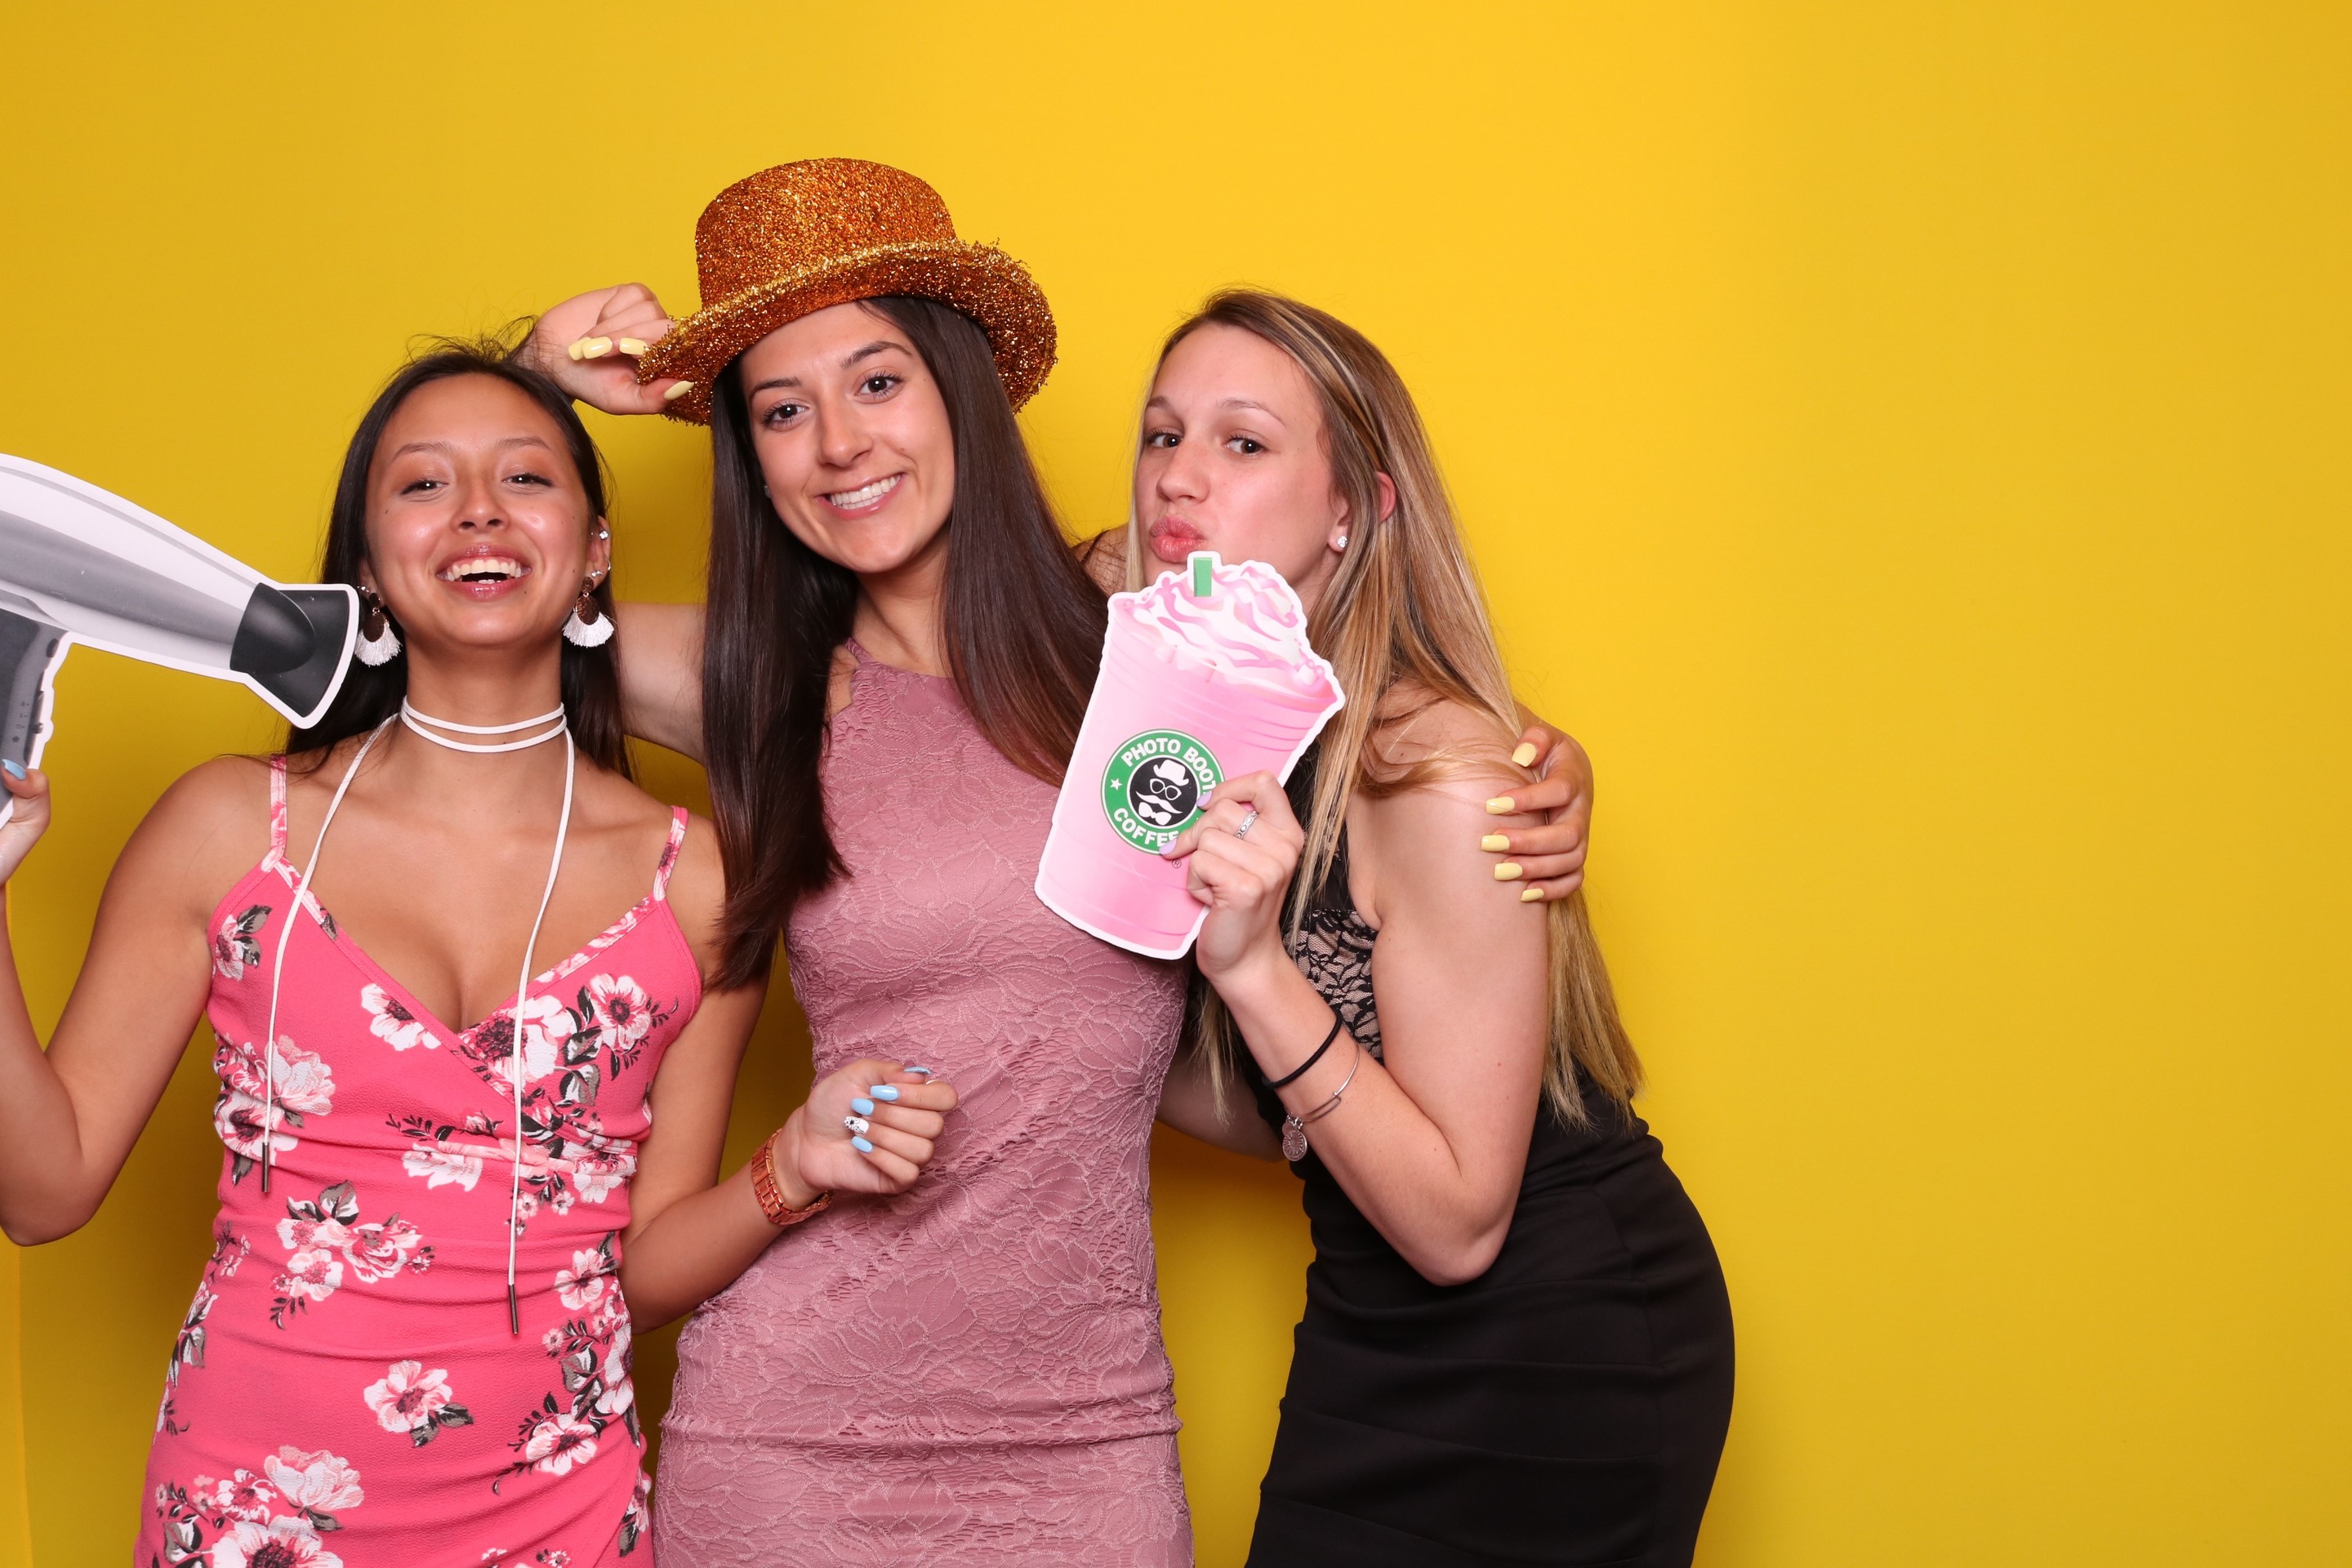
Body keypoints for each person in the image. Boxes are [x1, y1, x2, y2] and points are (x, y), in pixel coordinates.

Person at [518, 159, 1600, 1566]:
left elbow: (1370, 691)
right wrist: (531, 393)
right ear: (750, 455)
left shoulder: (1138, 645)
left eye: (879, 382)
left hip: (1087, 1439)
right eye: (781, 410)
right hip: (790, 1436)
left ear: (959, 392)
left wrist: (1532, 759)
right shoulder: (760, 686)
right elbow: (425, 624)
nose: (837, 443)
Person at [0, 344, 955, 1566]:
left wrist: (795, 1166)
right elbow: (43, 1193)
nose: (479, 513)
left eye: (525, 478)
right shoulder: (231, 829)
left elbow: (637, 1271)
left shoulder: (699, 883)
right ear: (366, 568)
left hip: (559, 1516)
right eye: (423, 484)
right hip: (249, 1512)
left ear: (595, 551)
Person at [1151, 292, 1735, 1567]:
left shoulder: (1441, 780)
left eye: (1243, 443)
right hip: (1368, 1311)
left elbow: (1459, 1224)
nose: (1180, 477)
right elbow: (1011, 575)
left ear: (1353, 510)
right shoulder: (1174, 690)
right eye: (1160, 435)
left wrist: (1252, 975)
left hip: (1555, 1341)